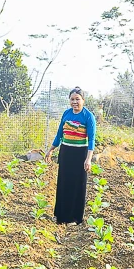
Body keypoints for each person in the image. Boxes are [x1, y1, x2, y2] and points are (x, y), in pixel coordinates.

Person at [45, 88, 96, 225]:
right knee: (63, 183)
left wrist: (88, 159)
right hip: (66, 152)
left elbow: (91, 139)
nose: (75, 102)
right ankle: (60, 216)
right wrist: (51, 150)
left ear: (83, 100)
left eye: (77, 99)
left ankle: (74, 218)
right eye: (72, 99)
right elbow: (59, 135)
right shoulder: (66, 114)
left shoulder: (88, 116)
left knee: (77, 185)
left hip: (80, 154)